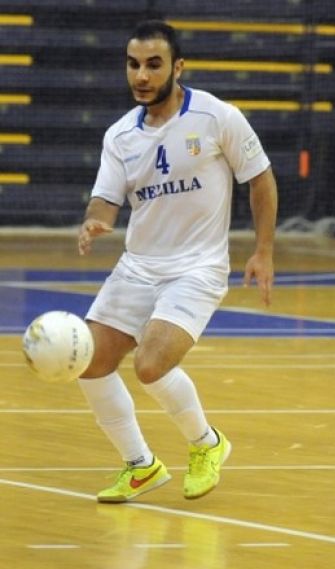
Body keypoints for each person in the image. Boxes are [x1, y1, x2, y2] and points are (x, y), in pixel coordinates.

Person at [76, 20, 278, 503]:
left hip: (197, 268)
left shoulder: (216, 116)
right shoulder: (120, 135)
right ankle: (140, 465)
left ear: (177, 67)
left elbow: (262, 180)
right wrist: (94, 222)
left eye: (153, 64)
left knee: (150, 365)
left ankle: (207, 444)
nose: (141, 76)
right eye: (133, 65)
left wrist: (263, 251)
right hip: (138, 267)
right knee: (89, 363)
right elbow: (105, 200)